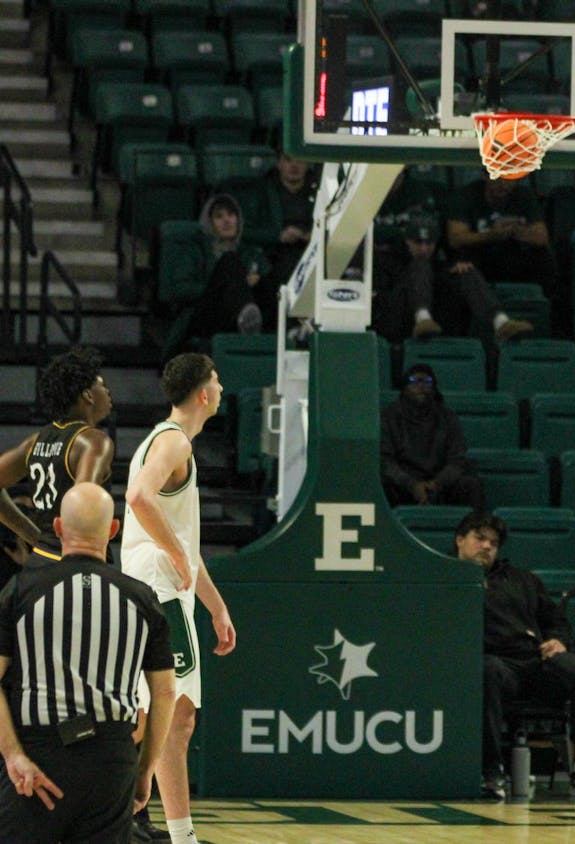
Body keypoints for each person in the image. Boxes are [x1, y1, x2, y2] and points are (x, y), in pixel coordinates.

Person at [0, 484, 175, 842]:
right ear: (113, 530)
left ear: (59, 528)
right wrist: (145, 769)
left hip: (39, 753)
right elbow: (166, 693)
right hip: (111, 758)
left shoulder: (21, 591)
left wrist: (13, 755)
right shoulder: (142, 599)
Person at [122, 353, 238, 844]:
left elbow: (185, 545)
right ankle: (179, 834)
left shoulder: (165, 439)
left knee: (149, 714)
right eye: (216, 379)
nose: (222, 386)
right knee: (178, 716)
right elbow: (139, 498)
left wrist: (216, 606)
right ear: (203, 394)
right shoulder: (172, 442)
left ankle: (125, 820)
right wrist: (172, 550)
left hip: (155, 584)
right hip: (159, 587)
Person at [463, 510, 575, 802]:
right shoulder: (450, 582)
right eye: (480, 539)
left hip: (536, 662)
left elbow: (555, 620)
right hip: (496, 664)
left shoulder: (522, 579)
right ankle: (491, 772)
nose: (487, 546)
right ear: (459, 540)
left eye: (493, 542)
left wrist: (559, 640)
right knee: (487, 669)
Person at [0, 346, 114, 563]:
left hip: (41, 559)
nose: (108, 392)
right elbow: (83, 502)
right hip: (78, 562)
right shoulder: (94, 441)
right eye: (102, 386)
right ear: (88, 396)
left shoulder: (36, 441)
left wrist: (33, 535)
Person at [372, 213, 533, 346]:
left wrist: (454, 272)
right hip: (400, 321)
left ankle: (501, 322)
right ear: (407, 241)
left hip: (439, 321)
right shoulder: (388, 261)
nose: (424, 248)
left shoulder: (441, 262)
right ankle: (422, 318)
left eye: (429, 243)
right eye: (418, 242)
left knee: (466, 270)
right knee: (420, 265)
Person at [164, 194, 271, 348]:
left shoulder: (251, 252)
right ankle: (247, 323)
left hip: (240, 311)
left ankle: (281, 331)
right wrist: (219, 287)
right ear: (210, 223)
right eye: (219, 216)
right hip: (205, 314)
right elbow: (179, 289)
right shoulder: (195, 249)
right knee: (229, 261)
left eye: (231, 215)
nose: (227, 220)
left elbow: (270, 284)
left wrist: (257, 282)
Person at [379, 364, 485, 511]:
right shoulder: (389, 417)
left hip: (440, 483)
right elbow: (385, 461)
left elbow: (458, 459)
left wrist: (436, 484)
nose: (421, 385)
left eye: (427, 381)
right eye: (414, 380)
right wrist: (411, 485)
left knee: (470, 484)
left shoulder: (447, 417)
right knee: (381, 484)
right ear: (404, 387)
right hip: (403, 484)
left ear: (434, 388)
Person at [444, 176, 558, 289]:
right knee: (463, 260)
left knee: (543, 256)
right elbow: (455, 239)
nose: (503, 184)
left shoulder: (525, 195)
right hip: (479, 252)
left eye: (509, 179)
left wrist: (515, 230)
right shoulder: (466, 195)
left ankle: (544, 302)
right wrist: (490, 235)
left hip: (514, 252)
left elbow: (542, 237)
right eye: (498, 178)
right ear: (486, 176)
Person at [239, 150, 317, 289]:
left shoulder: (319, 190)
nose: (294, 166)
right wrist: (278, 236)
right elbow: (244, 231)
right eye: (288, 160)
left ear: (307, 164)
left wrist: (309, 236)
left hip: (311, 253)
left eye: (299, 160)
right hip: (273, 256)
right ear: (279, 163)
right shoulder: (262, 191)